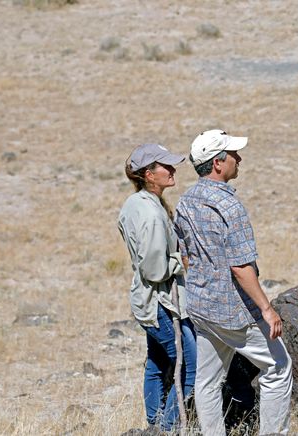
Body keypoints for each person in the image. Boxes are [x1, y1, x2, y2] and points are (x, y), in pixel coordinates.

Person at [175, 129, 293, 436]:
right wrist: (267, 309)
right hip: (232, 310)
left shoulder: (185, 202)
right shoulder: (229, 206)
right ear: (218, 163)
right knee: (279, 366)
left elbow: (186, 256)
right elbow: (241, 267)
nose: (239, 158)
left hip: (200, 306)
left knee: (207, 381)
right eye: (233, 154)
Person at [118, 143, 197, 432]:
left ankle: (154, 424)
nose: (172, 170)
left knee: (157, 360)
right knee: (189, 363)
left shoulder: (135, 204)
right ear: (149, 174)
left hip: (147, 299)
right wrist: (181, 262)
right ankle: (169, 426)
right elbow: (154, 270)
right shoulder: (152, 214)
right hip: (160, 302)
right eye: (166, 166)